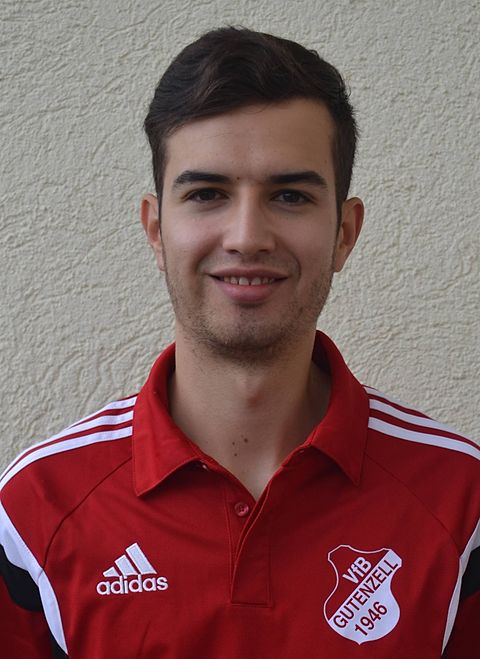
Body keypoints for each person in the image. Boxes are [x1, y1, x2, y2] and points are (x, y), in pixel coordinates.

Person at [0, 26, 478, 659]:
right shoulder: (36, 507)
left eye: (290, 195)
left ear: (344, 232)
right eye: (207, 194)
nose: (247, 236)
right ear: (156, 230)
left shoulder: (461, 500)